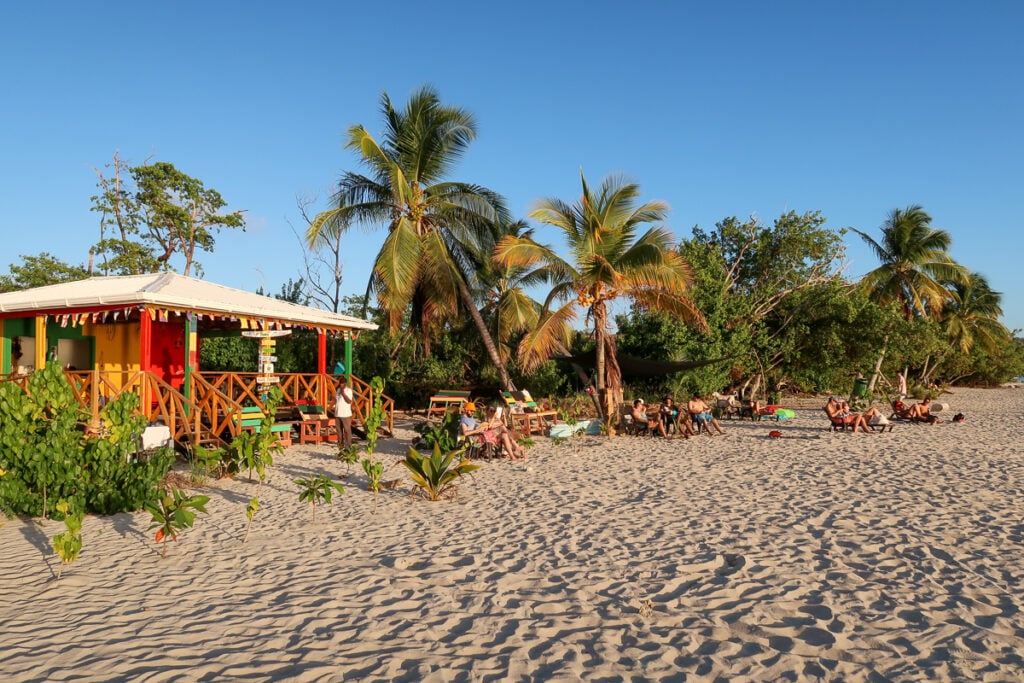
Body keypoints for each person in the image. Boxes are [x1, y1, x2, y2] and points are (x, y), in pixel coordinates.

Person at [460, 402, 526, 460]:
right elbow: (465, 433)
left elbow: (478, 426)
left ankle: (513, 454)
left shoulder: (470, 417)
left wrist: (481, 427)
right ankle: (514, 450)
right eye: (471, 411)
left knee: (504, 434)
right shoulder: (464, 421)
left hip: (483, 435)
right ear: (466, 410)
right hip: (476, 439)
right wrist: (478, 430)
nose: (473, 412)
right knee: (504, 432)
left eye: (473, 411)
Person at [334, 376, 354, 449]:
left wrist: (343, 393)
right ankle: (340, 445)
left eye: (342, 383)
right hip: (337, 414)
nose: (341, 385)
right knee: (339, 431)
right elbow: (337, 400)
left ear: (345, 383)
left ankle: (348, 445)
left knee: (347, 430)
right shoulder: (338, 390)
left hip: (345, 414)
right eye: (340, 383)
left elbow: (349, 401)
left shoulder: (349, 390)